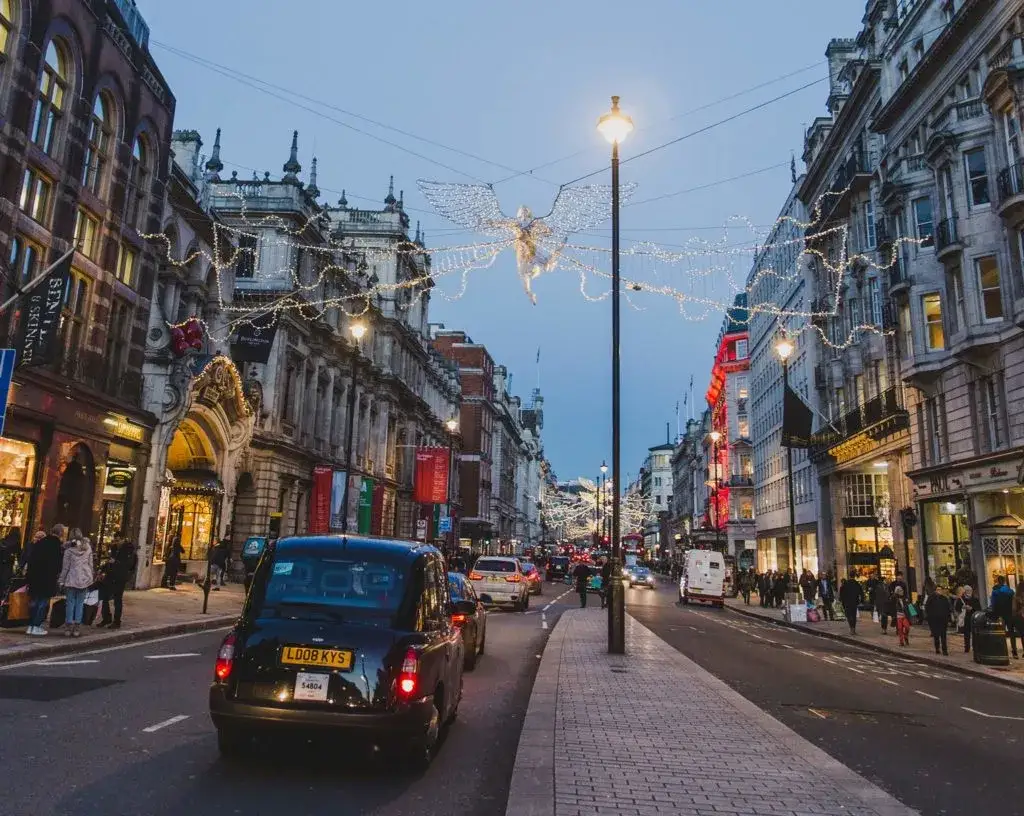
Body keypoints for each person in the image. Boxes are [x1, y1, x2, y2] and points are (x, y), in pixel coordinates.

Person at [25, 524, 65, 636]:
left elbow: (31, 560)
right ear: (60, 534)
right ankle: (37, 626)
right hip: (47, 579)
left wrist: (29, 576)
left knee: (33, 602)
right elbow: (57, 565)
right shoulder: (56, 546)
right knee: (42, 603)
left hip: (35, 578)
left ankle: (30, 625)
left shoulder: (40, 543)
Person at [58, 534, 93, 637]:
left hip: (71, 578)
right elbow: (90, 565)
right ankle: (77, 626)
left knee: (70, 603)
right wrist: (91, 576)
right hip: (84, 579)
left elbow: (65, 567)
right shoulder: (88, 549)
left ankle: (68, 626)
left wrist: (61, 580)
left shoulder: (69, 551)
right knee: (80, 603)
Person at [99, 537, 137, 629]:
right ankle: (106, 618)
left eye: (117, 540)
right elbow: (110, 561)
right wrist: (103, 569)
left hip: (120, 578)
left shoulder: (128, 551)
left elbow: (128, 566)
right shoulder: (115, 549)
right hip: (111, 576)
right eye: (114, 540)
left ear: (122, 539)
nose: (115, 542)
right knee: (104, 596)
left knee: (117, 599)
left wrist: (115, 562)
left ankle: (116, 621)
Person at [990, 575, 1017, 658]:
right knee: (1011, 632)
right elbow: (1014, 602)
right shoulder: (1011, 591)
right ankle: (1014, 651)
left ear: (998, 581)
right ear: (1004, 581)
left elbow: (993, 604)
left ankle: (1002, 650)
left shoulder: (995, 592)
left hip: (1000, 614)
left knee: (1000, 633)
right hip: (1009, 614)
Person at [924, 585, 952, 656]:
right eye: (938, 589)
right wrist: (930, 618)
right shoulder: (931, 598)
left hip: (943, 619)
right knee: (936, 635)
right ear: (935, 590)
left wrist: (949, 619)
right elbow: (927, 608)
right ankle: (937, 648)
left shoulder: (944, 599)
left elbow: (948, 609)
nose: (939, 591)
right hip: (934, 620)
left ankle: (944, 650)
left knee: (943, 635)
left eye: (940, 589)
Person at [955, 586, 982, 653]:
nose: (969, 592)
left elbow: (979, 609)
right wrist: (963, 607)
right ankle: (967, 647)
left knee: (974, 633)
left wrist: (972, 608)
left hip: (973, 618)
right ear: (965, 591)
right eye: (967, 591)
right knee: (966, 634)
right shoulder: (961, 599)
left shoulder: (975, 599)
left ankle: (975, 647)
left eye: (970, 590)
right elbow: (957, 608)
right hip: (965, 619)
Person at [0, 527, 19, 597]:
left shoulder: (3, 540)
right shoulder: (16, 542)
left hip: (1, 563)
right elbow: (19, 554)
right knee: (5, 582)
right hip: (8, 565)